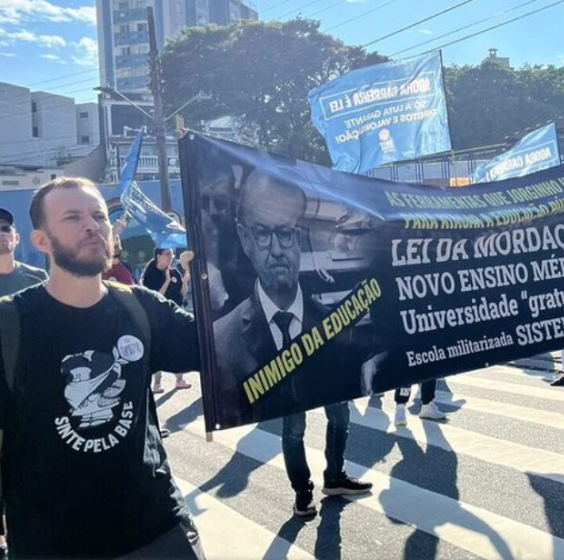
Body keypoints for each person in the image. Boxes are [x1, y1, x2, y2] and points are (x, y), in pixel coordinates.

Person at [0, 177, 204, 559]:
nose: (92, 225)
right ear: (41, 240)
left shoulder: (141, 308)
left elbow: (218, 345)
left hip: (159, 532)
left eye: (98, 215)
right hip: (52, 544)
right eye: (73, 217)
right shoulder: (10, 324)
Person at [213, 169, 373, 517]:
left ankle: (335, 475)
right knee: (293, 425)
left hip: (325, 348)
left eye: (285, 233)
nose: (275, 250)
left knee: (340, 415)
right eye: (262, 233)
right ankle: (303, 490)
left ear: (298, 237)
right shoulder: (224, 337)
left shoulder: (332, 323)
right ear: (244, 237)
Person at [0, 207, 47, 558]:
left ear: (16, 238)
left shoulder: (37, 279)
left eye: (5, 228)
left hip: (35, 394)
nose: (0, 234)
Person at [142, 248, 192, 393]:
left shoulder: (175, 272)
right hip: (158, 317)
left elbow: (182, 294)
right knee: (159, 348)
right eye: (167, 254)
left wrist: (185, 282)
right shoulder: (151, 274)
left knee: (177, 345)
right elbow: (155, 297)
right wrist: (167, 281)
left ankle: (179, 379)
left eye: (172, 254)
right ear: (158, 255)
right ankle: (157, 384)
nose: (171, 257)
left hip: (175, 315)